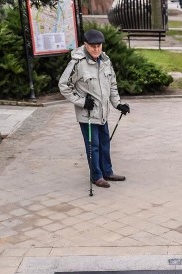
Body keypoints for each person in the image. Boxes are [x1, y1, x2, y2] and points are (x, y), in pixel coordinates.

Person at [58, 29, 131, 189]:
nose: (96, 49)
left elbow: (112, 85)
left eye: (99, 46)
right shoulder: (77, 63)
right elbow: (64, 86)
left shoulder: (105, 61)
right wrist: (82, 102)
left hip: (103, 113)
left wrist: (118, 104)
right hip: (88, 114)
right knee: (94, 145)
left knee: (105, 143)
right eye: (93, 46)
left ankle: (107, 172)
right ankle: (96, 176)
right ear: (85, 45)